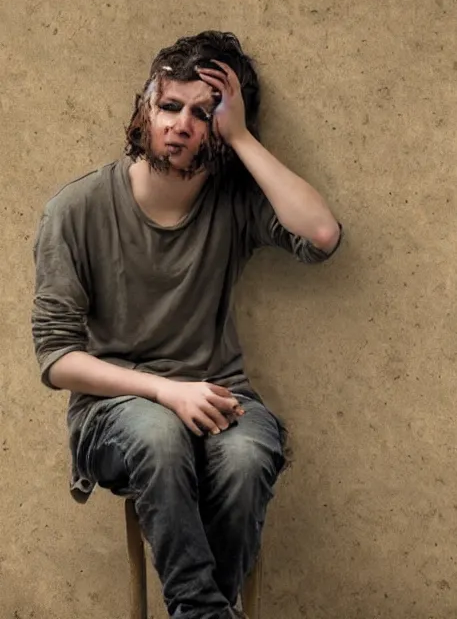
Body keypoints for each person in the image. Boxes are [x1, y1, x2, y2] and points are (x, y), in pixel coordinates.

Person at [31, 32, 342, 619]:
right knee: (158, 432)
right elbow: (55, 359)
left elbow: (322, 236)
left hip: (221, 398)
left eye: (203, 114)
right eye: (169, 105)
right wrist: (164, 390)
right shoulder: (75, 210)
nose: (180, 124)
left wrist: (243, 138)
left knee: (250, 456)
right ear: (145, 108)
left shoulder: (232, 200)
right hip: (114, 412)